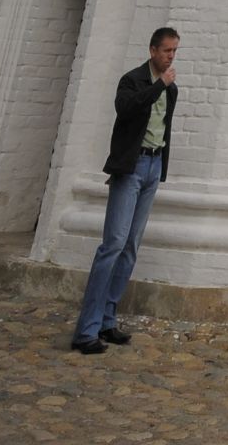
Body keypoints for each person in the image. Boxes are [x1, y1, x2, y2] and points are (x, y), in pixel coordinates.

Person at [70, 26, 180, 354]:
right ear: (152, 51)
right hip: (130, 169)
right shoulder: (132, 80)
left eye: (175, 51)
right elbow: (126, 109)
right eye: (166, 51)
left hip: (152, 167)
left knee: (131, 246)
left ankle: (107, 319)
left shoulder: (172, 91)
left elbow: (164, 129)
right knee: (113, 245)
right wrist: (159, 85)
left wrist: (160, 167)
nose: (171, 56)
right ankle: (85, 330)